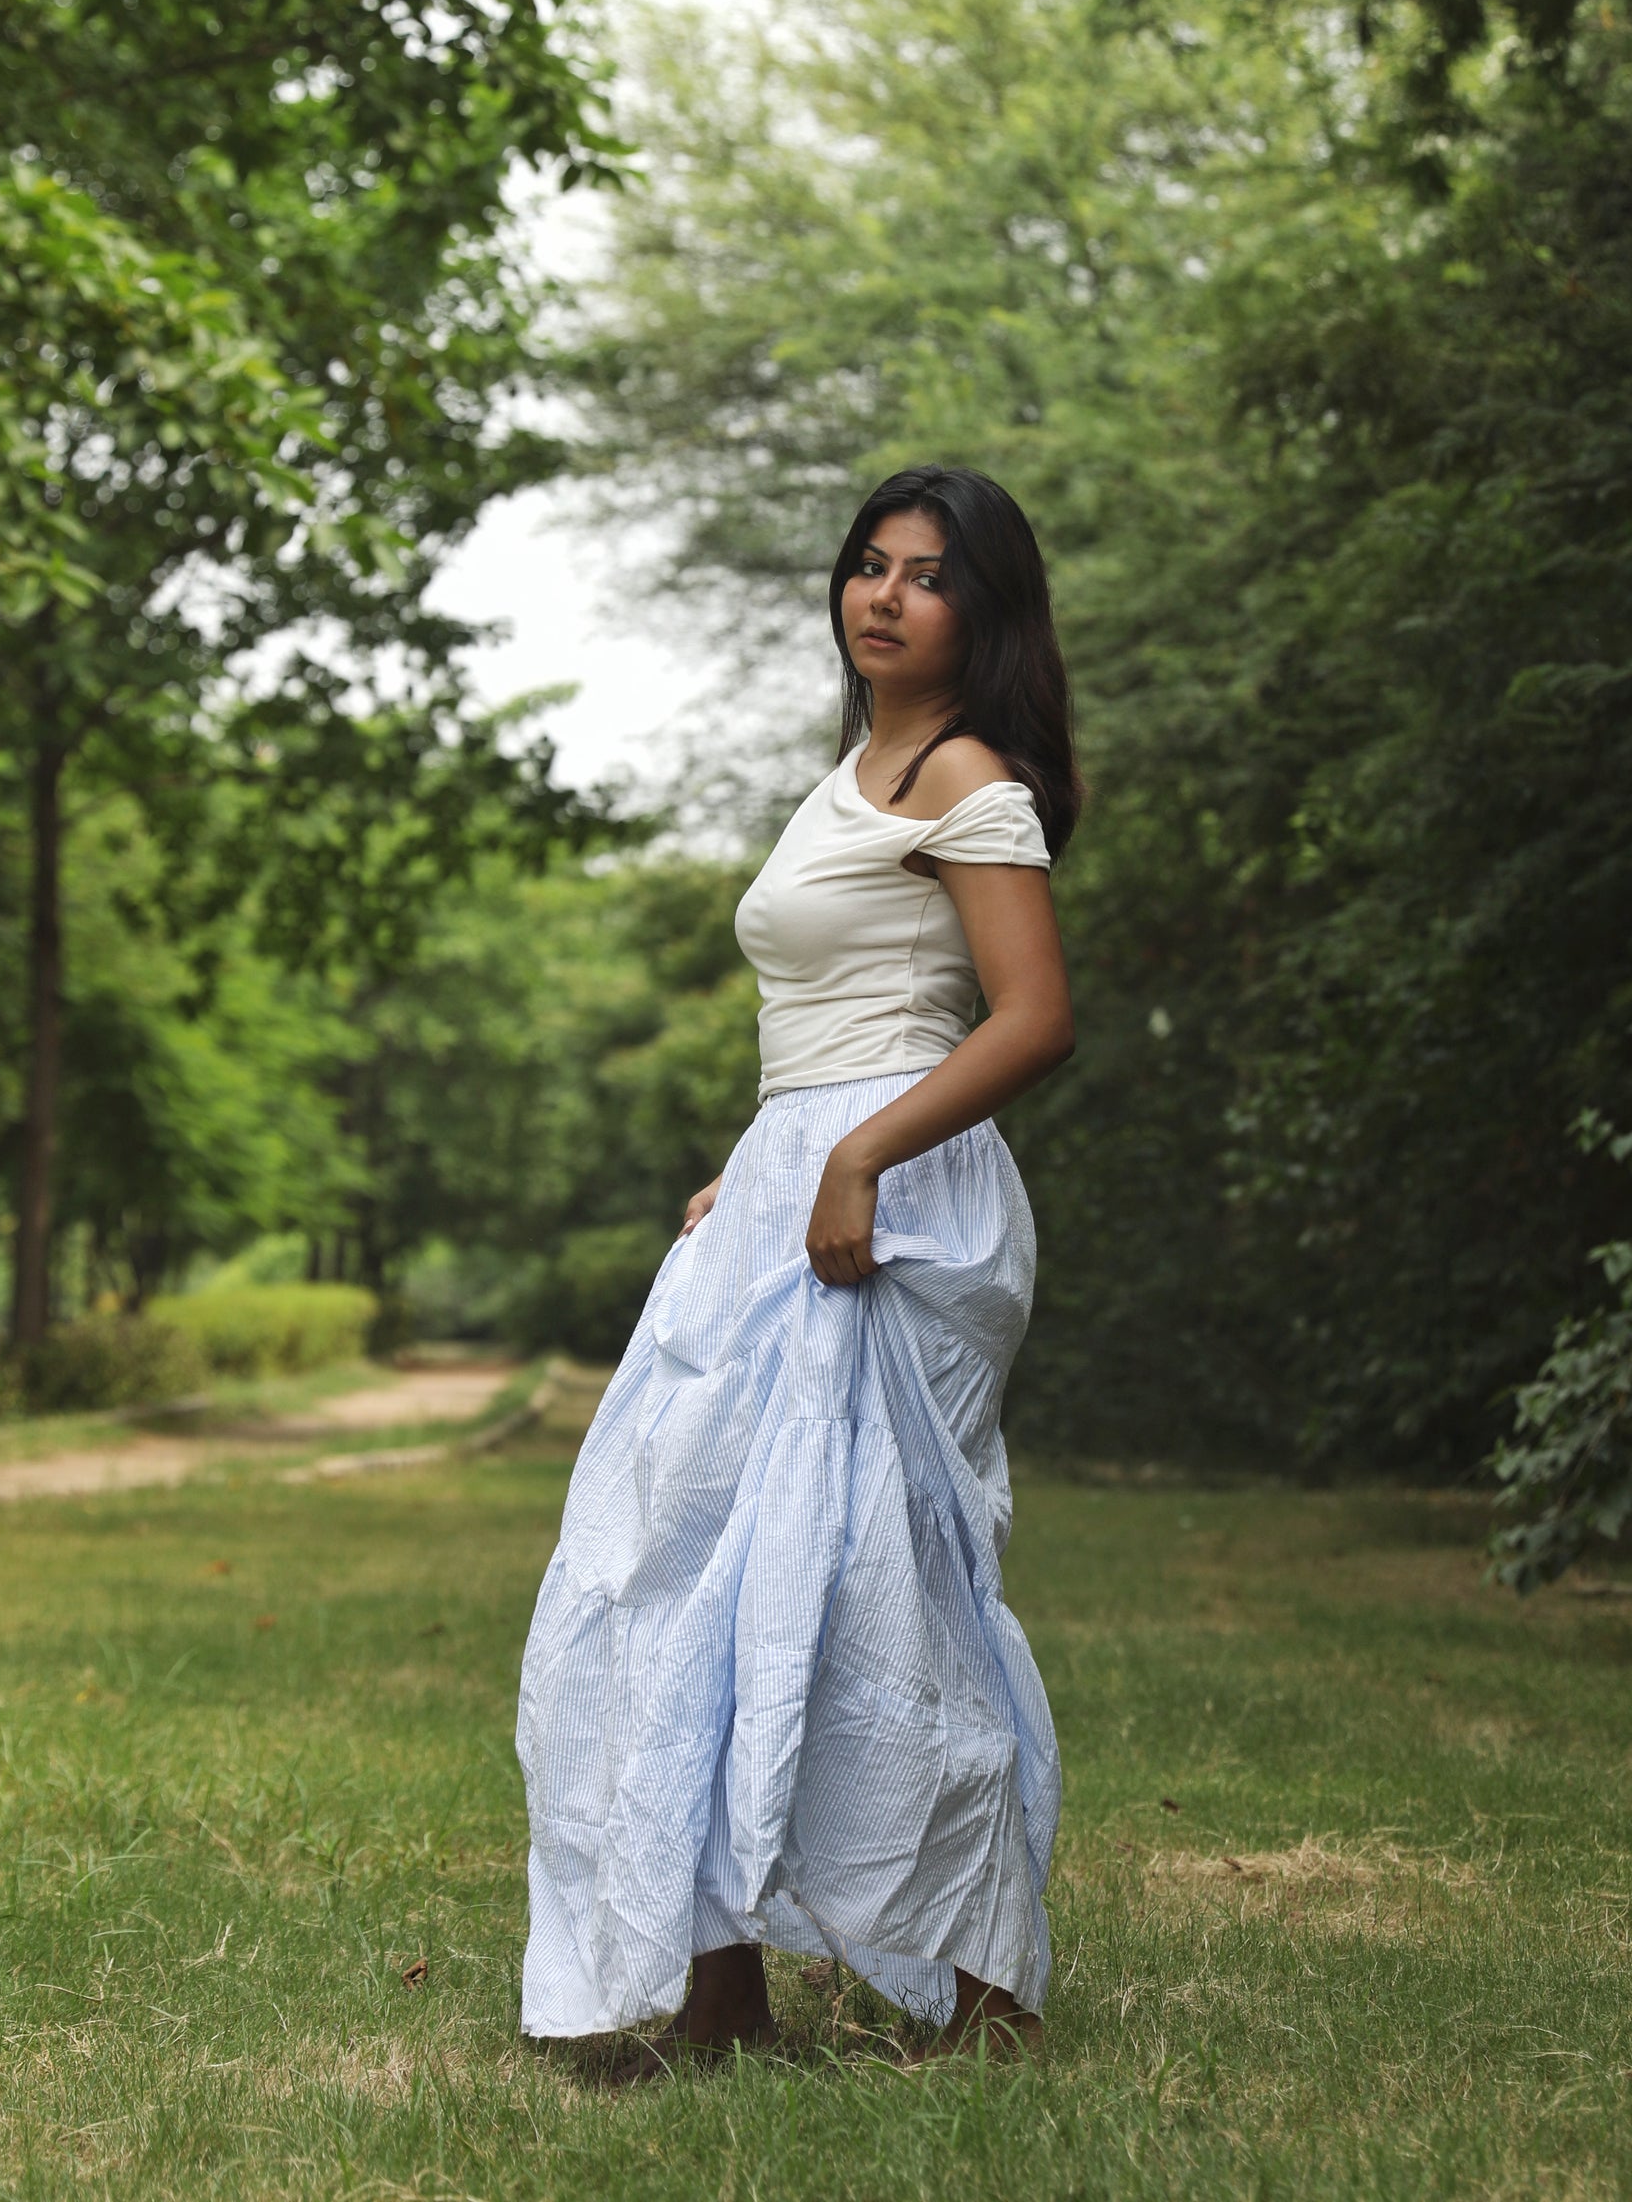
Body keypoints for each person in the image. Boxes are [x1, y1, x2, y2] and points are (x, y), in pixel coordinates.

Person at [515, 465, 1079, 2070]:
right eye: (866, 565)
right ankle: (720, 1988)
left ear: (983, 610)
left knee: (867, 1581)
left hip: (892, 1202)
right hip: (793, 1182)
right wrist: (762, 1163)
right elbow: (819, 1031)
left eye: (925, 573)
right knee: (675, 1556)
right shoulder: (855, 770)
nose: (882, 593)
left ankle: (982, 1993)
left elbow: (1030, 1017)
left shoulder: (969, 775)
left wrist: (850, 1158)